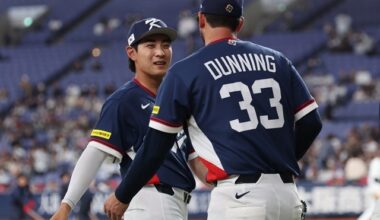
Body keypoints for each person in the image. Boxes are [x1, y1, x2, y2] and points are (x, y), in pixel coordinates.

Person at [104, 0, 322, 219]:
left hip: (240, 198)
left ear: (200, 19)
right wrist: (277, 160)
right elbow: (312, 122)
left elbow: (155, 147)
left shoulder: (185, 71)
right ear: (239, 24)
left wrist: (123, 195)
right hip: (288, 196)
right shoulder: (278, 60)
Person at [51, 17, 208, 220]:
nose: (160, 52)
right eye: (150, 45)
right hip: (150, 201)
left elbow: (192, 158)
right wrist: (67, 205)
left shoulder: (176, 100)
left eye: (166, 45)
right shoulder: (124, 100)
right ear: (131, 52)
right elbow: (94, 153)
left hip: (175, 204)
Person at [358, 151, 380, 220]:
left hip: (376, 187)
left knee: (375, 209)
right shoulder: (376, 162)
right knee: (373, 209)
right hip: (375, 188)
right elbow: (376, 178)